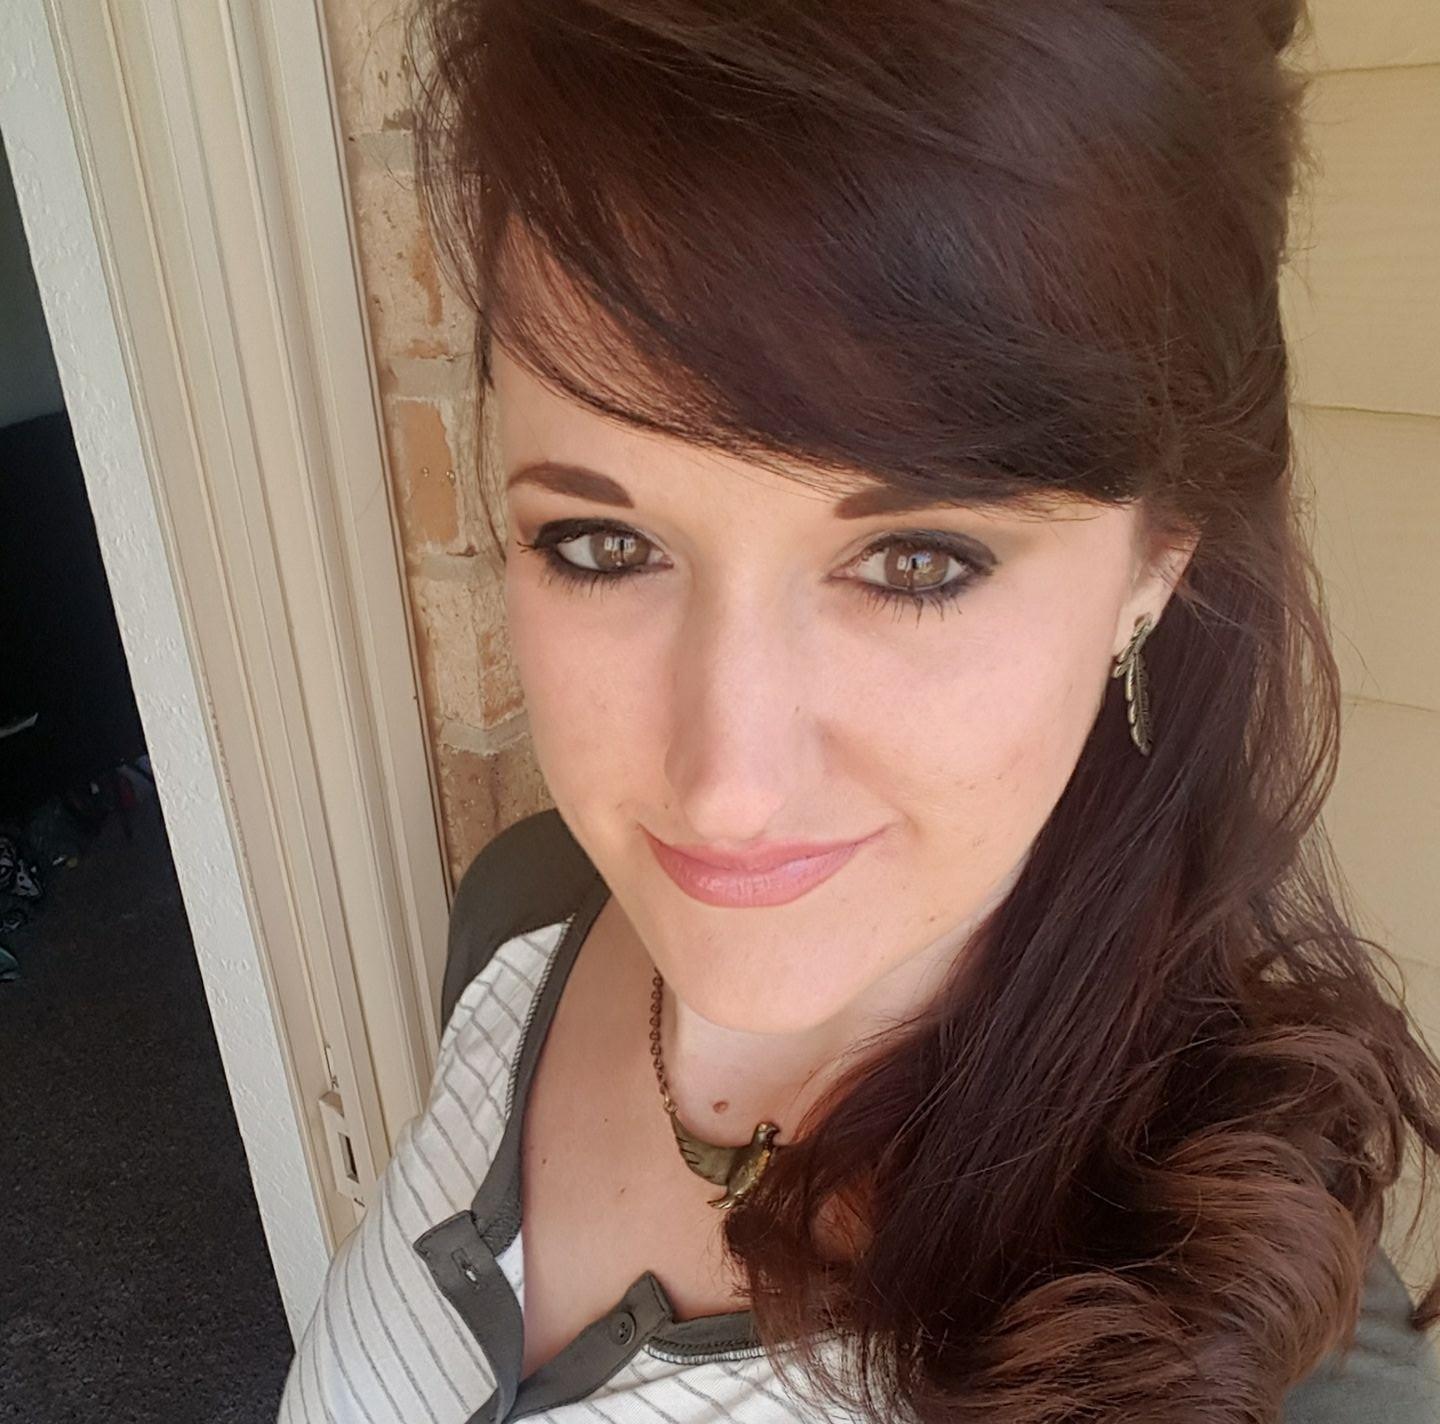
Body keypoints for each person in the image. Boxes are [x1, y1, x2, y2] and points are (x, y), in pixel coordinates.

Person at [279, 1, 1440, 1420]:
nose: (726, 787)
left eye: (915, 563)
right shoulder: (521, 917)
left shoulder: (1260, 1372)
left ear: (1157, 561)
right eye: (603, 543)